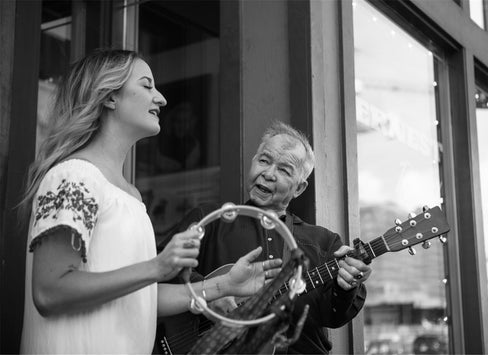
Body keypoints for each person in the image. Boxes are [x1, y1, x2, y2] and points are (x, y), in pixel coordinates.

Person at [17, 49, 281, 354]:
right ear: (109, 97)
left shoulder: (131, 196)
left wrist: (223, 286)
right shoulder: (74, 176)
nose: (161, 98)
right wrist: (156, 267)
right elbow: (49, 292)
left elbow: (139, 298)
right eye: (146, 85)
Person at [169, 121, 372, 354]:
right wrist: (210, 294)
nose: (268, 173)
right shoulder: (210, 220)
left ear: (299, 188)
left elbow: (334, 316)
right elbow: (165, 271)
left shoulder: (324, 243)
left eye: (284, 170)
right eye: (264, 161)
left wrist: (347, 284)